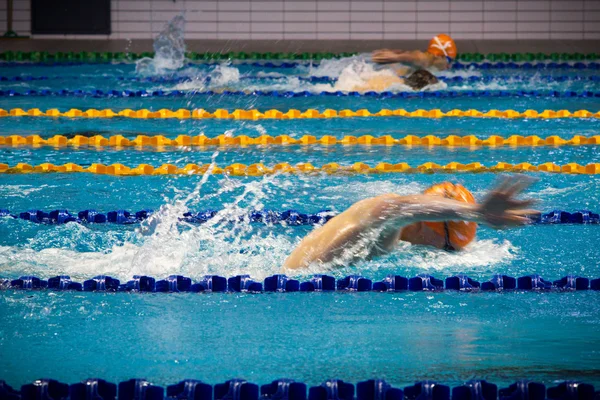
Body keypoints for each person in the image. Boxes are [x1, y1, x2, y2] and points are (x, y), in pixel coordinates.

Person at [282, 177, 537, 271]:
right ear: (429, 226)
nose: (443, 252)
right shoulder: (385, 225)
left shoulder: (388, 232)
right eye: (448, 247)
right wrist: (476, 212)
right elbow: (400, 208)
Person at [351, 34, 456, 92]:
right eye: (449, 60)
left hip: (393, 78)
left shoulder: (427, 61)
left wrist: (396, 53)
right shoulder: (423, 60)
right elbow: (412, 57)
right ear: (440, 55)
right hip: (383, 78)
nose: (448, 66)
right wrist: (395, 57)